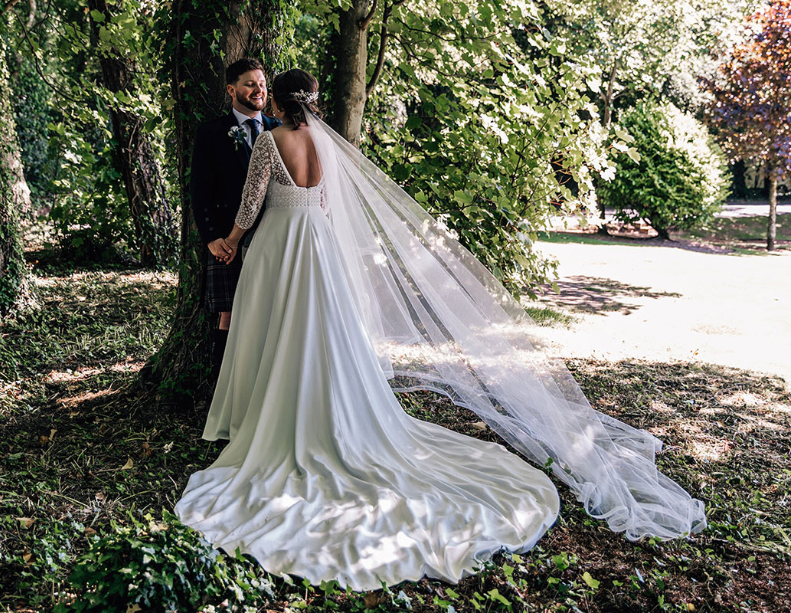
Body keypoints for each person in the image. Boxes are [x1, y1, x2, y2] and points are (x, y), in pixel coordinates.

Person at [176, 69, 707, 591]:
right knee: (324, 332)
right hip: (318, 243)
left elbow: (250, 204)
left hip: (281, 244)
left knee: (280, 329)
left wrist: (228, 241)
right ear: (312, 100)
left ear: (279, 102)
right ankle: (326, 407)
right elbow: (331, 206)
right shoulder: (326, 143)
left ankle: (275, 412)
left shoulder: (271, 142)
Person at [189, 58, 281, 371]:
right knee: (229, 313)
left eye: (263, 83)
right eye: (250, 84)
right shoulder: (212, 133)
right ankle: (222, 393)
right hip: (228, 241)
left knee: (274, 311)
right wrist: (212, 238)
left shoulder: (280, 130)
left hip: (276, 235)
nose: (259, 90)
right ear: (231, 89)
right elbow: (199, 191)